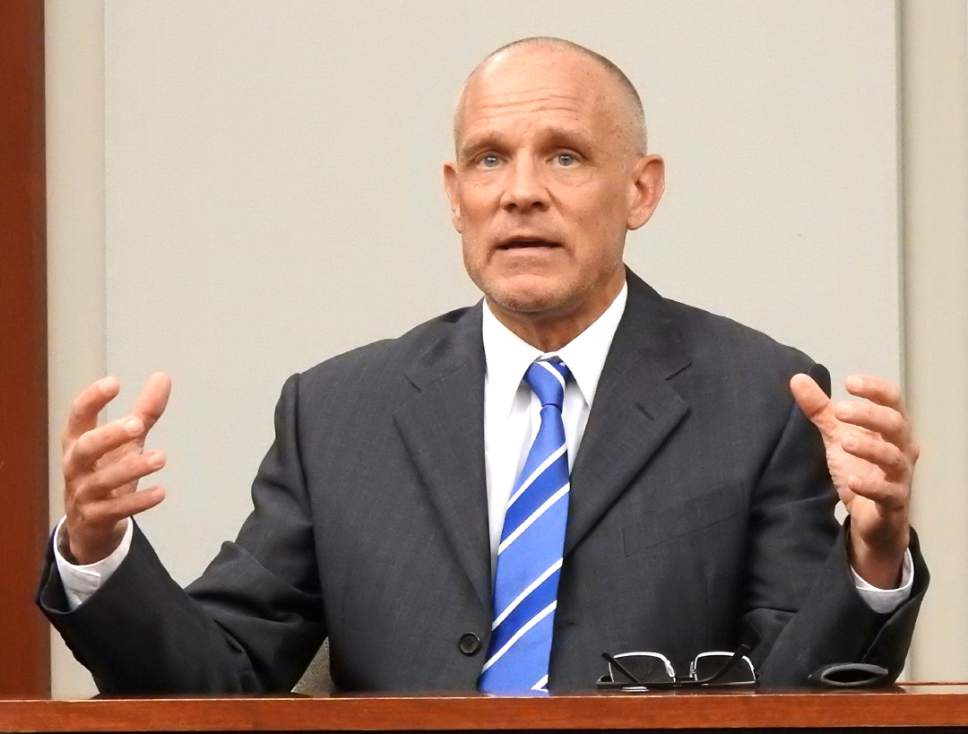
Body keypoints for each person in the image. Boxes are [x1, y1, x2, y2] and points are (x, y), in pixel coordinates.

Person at [38, 37, 927, 694]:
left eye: (566, 156)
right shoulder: (340, 412)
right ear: (454, 197)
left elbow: (794, 696)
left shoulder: (757, 398)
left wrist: (873, 556)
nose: (521, 190)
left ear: (641, 190)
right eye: (489, 159)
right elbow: (217, 681)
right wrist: (97, 549)